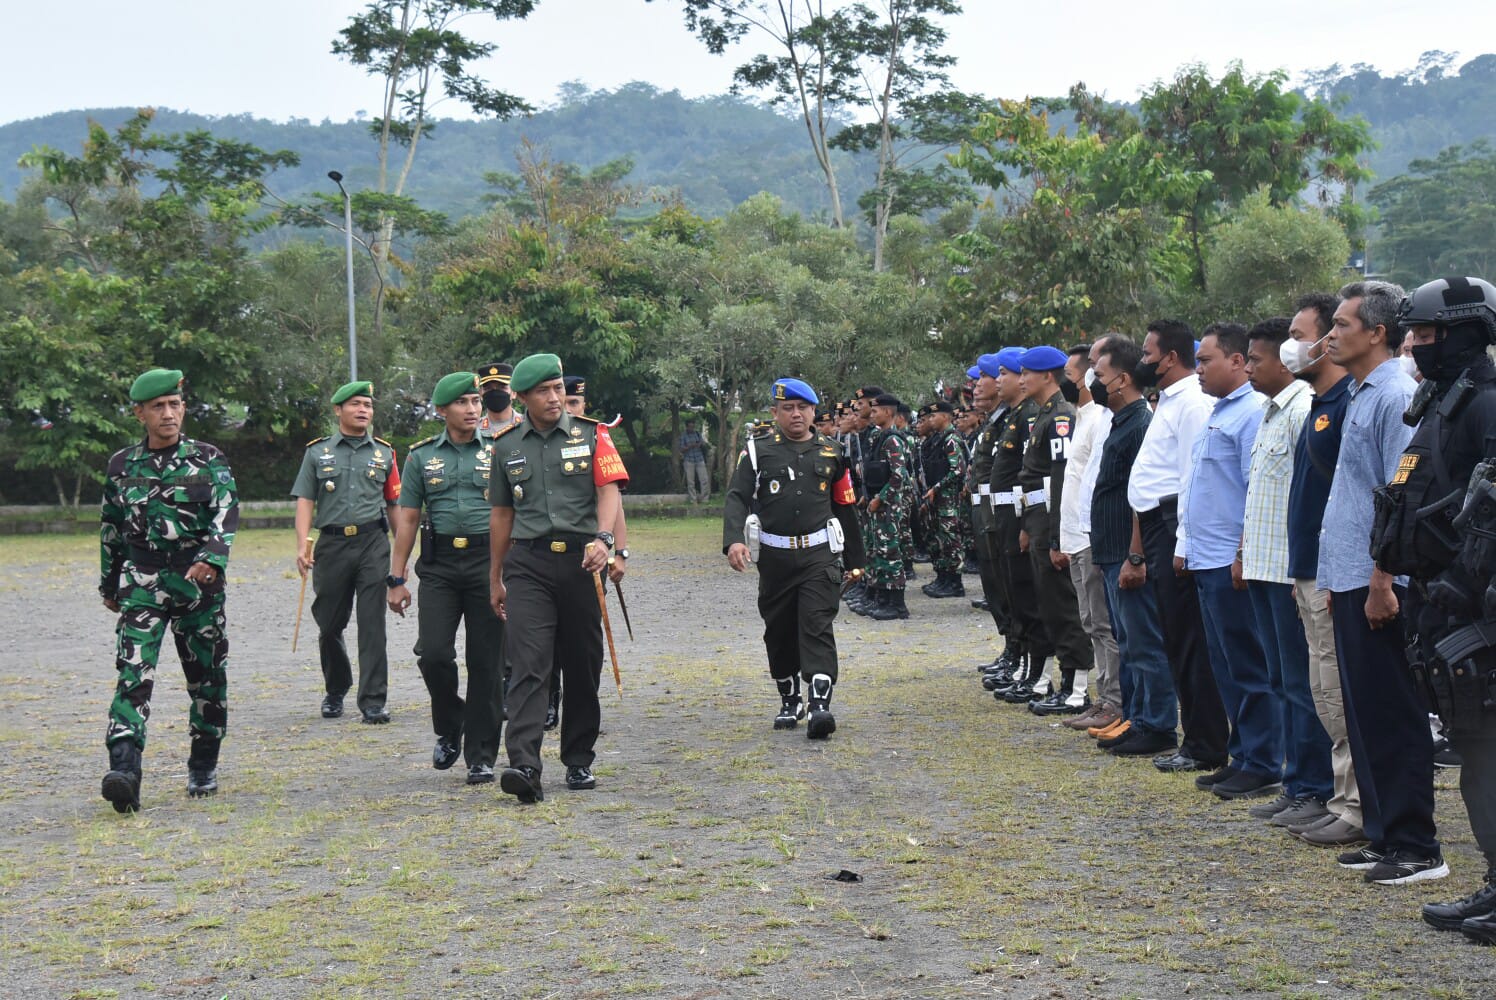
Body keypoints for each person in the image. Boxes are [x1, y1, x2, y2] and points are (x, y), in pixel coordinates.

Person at [1371, 278, 1496, 904]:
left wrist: (1463, 581)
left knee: (1488, 755)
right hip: (1437, 604)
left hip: (1475, 608)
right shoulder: (1441, 402)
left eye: (1426, 335)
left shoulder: (1486, 405)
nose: (1415, 346)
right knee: (1476, 755)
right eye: (1412, 335)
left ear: (1467, 332)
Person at [1318, 280, 1445, 885]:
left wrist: (1381, 580)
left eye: (1342, 324)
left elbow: (1401, 502)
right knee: (1364, 712)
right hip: (1349, 576)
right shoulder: (1362, 390)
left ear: (1377, 332)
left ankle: (1417, 845)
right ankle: (1384, 833)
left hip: (1378, 584)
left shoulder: (1396, 393)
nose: (1330, 334)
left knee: (1392, 711)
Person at [489, 354, 629, 803]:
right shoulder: (506, 445)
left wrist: (605, 541)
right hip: (527, 564)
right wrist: (496, 576)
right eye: (544, 391)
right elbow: (501, 515)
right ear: (523, 398)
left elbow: (608, 492)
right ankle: (525, 764)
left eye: (557, 388)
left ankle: (578, 759)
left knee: (583, 665)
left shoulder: (594, 435)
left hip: (582, 563)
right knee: (529, 663)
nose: (554, 398)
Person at [99, 368, 239, 812]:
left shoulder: (208, 458)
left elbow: (226, 514)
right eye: (158, 406)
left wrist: (212, 558)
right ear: (139, 412)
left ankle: (203, 762)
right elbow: (112, 529)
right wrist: (109, 582)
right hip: (143, 583)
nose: (168, 414)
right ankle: (125, 770)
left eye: (174, 405)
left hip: (198, 586)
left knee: (206, 679)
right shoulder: (122, 466)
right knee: (133, 676)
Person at [722, 377, 865, 737]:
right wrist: (733, 541)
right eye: (788, 408)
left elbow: (844, 507)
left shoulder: (833, 452)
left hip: (819, 555)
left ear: (815, 411)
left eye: (803, 408)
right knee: (780, 631)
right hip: (775, 558)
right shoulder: (756, 451)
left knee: (816, 624)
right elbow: (737, 497)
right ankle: (790, 699)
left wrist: (856, 559)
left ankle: (820, 706)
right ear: (775, 412)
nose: (797, 414)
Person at [1237, 318, 1333, 827]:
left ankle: (1315, 787)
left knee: (1301, 685)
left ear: (1282, 361)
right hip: (1263, 565)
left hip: (1289, 569)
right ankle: (1297, 781)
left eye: (1255, 358)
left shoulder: (1301, 410)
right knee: (1281, 681)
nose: (1249, 367)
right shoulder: (1271, 413)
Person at [388, 373, 505, 787]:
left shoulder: (499, 449)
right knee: (434, 653)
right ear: (441, 410)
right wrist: (396, 576)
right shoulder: (420, 457)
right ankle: (450, 720)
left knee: (486, 662)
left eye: (476, 401)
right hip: (438, 565)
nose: (473, 409)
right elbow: (408, 520)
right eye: (463, 403)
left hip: (487, 561)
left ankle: (481, 755)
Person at [1127, 320, 1230, 779]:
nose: (1143, 361)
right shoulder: (1170, 401)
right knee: (1176, 636)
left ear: (1169, 357)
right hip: (1156, 524)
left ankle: (1206, 743)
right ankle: (1199, 739)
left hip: (1174, 525)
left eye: (1148, 353)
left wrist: (1183, 541)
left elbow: (1193, 478)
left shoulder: (1191, 403)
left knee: (1190, 640)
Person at [1280, 292, 1365, 846]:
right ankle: (1339, 797)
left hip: (1332, 570)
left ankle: (1357, 806)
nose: (1303, 343)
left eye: (1307, 331)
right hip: (1307, 566)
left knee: (1339, 689)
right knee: (1320, 688)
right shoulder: (1318, 402)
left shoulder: (1350, 403)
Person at [1180, 323, 1278, 800]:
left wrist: (1242, 552)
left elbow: (1254, 491)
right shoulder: (1219, 412)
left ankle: (1262, 759)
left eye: (1206, 360)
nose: (1198, 369)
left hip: (1230, 560)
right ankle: (1243, 754)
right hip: (1206, 557)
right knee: (1225, 665)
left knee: (1248, 665)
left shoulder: (1252, 413)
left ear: (1237, 361)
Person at [1085, 336, 1180, 757]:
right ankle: (1136, 718)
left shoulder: (1141, 422)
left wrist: (1134, 554)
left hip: (1127, 551)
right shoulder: (1120, 421)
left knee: (1144, 640)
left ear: (1122, 380)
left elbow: (1142, 495)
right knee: (1128, 640)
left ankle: (1156, 725)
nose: (1094, 383)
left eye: (1100, 376)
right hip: (1109, 549)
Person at [290, 380, 401, 724]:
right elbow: (306, 500)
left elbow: (395, 504)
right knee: (329, 623)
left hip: (373, 543)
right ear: (338, 410)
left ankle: (373, 700)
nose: (363, 410)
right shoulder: (316, 452)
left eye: (368, 404)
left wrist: (401, 556)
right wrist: (301, 544)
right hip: (332, 545)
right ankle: (336, 688)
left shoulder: (385, 453)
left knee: (372, 624)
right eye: (355, 404)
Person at [1015, 345, 1093, 715]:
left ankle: (1077, 687)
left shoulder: (1061, 415)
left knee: (1063, 606)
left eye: (1028, 372)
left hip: (1052, 517)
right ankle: (1064, 680)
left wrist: (1059, 534)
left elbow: (1061, 478)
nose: (1022, 378)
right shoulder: (1046, 414)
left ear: (1048, 375)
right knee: (1048, 604)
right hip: (1039, 518)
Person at [1060, 345, 1122, 731]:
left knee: (1103, 624)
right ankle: (1105, 697)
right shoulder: (1082, 416)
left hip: (1091, 537)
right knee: (1090, 622)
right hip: (1076, 535)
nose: (1065, 380)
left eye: (1070, 373)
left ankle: (1114, 701)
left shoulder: (1101, 418)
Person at [990, 348, 1048, 703]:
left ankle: (1036, 670)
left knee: (1027, 594)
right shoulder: (1012, 415)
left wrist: (1026, 520)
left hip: (1022, 511)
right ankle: (1023, 662)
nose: (997, 381)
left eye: (1003, 374)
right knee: (1012, 591)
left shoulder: (1030, 415)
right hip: (1004, 511)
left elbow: (1032, 474)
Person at [860, 393, 913, 620]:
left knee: (890, 552)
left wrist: (881, 498)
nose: (871, 415)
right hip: (878, 505)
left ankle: (897, 604)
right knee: (878, 551)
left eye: (875, 411)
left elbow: (899, 476)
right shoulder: (879, 438)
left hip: (889, 506)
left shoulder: (893, 440)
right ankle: (882, 598)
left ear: (888, 413)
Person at [917, 400, 967, 598]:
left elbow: (958, 469)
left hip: (948, 499)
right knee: (937, 539)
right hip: (936, 498)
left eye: (933, 416)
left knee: (950, 539)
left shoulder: (951, 439)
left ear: (946, 417)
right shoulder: (937, 440)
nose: (930, 420)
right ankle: (943, 577)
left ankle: (955, 582)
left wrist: (937, 488)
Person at [477, 361, 519, 439]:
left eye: (502, 387)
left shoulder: (528, 426)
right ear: (480, 394)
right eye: (488, 388)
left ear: (514, 392)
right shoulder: (473, 430)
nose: (494, 392)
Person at [679, 417, 711, 503]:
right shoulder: (683, 436)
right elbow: (681, 449)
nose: (691, 429)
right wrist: (689, 446)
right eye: (690, 427)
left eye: (693, 427)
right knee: (691, 482)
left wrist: (700, 444)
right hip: (689, 460)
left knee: (704, 479)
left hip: (699, 458)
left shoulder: (697, 434)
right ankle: (693, 500)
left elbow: (703, 443)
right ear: (687, 427)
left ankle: (705, 499)